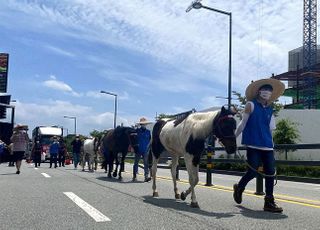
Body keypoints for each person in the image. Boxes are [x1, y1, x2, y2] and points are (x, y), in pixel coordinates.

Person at [233, 78, 285, 213]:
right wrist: (234, 137)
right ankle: (239, 187)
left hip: (267, 145)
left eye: (270, 90)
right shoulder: (251, 105)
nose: (267, 92)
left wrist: (272, 145)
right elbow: (243, 123)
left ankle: (269, 201)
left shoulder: (270, 109)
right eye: (265, 90)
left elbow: (271, 128)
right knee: (253, 171)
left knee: (270, 173)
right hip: (253, 144)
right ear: (259, 91)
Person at [133, 117, 152, 182]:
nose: (144, 125)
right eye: (142, 124)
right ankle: (134, 175)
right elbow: (133, 139)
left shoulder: (148, 132)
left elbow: (150, 140)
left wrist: (149, 148)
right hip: (138, 150)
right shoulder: (137, 131)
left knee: (146, 163)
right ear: (140, 124)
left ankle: (146, 177)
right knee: (136, 163)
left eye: (145, 124)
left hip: (145, 150)